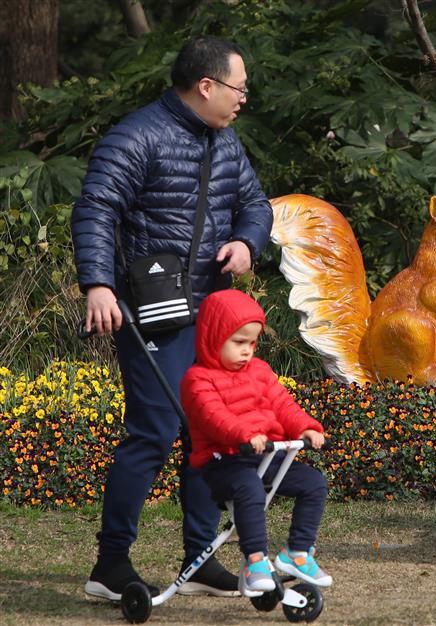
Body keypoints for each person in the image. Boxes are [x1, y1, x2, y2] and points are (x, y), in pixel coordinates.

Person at [72, 35, 273, 600]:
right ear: (205, 86)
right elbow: (95, 208)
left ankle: (201, 558)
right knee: (153, 433)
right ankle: (109, 566)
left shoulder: (226, 142)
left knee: (206, 434)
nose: (243, 99)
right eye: (239, 88)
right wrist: (98, 285)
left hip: (208, 312)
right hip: (148, 310)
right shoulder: (136, 135)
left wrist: (246, 242)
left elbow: (254, 204)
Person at [182, 289, 332, 591]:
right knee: (248, 487)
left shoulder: (259, 372)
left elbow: (282, 404)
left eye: (251, 342)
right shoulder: (197, 379)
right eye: (238, 342)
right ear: (213, 337)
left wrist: (305, 427)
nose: (247, 350)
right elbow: (214, 417)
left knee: (313, 483)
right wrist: (245, 435)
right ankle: (256, 561)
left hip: (263, 456)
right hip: (224, 460)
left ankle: (297, 554)